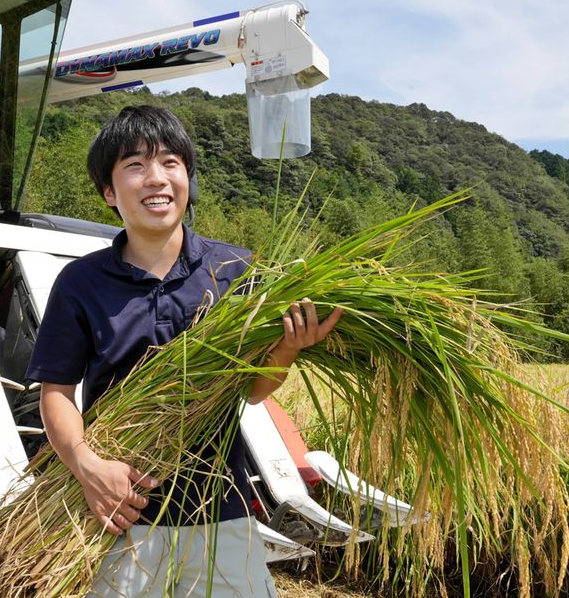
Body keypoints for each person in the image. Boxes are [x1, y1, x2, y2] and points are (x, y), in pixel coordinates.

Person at [26, 105, 341, 597]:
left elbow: (254, 391)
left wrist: (286, 351)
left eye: (171, 163)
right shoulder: (80, 283)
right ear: (109, 192)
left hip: (221, 510)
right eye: (135, 165)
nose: (157, 179)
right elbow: (57, 390)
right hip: (122, 512)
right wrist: (88, 467)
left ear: (188, 179)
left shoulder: (235, 269)